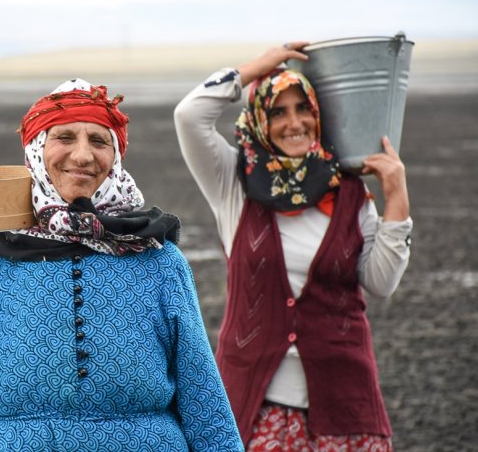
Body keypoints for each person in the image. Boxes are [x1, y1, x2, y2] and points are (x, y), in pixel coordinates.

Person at [0, 79, 244, 451]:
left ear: (115, 159)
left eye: (99, 141)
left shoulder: (158, 262)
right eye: (65, 138)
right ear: (36, 151)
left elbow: (202, 396)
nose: (82, 156)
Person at [173, 43, 412, 451]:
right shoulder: (234, 185)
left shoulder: (349, 192)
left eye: (304, 108)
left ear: (319, 116)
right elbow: (189, 115)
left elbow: (381, 282)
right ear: (260, 120)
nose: (294, 122)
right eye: (278, 111)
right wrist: (258, 67)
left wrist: (397, 198)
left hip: (345, 407)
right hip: (254, 406)